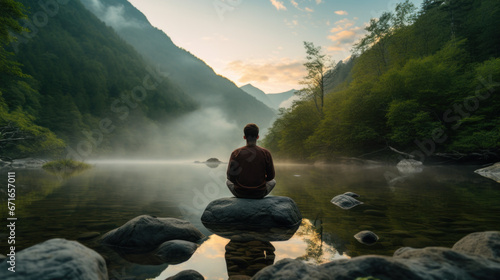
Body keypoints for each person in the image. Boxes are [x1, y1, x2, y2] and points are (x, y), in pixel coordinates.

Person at [226, 123, 276, 199]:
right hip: (259, 193)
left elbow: (230, 177)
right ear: (258, 137)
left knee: (228, 182)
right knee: (273, 182)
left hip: (240, 193)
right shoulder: (266, 153)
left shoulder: (235, 153)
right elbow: (271, 177)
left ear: (244, 137)